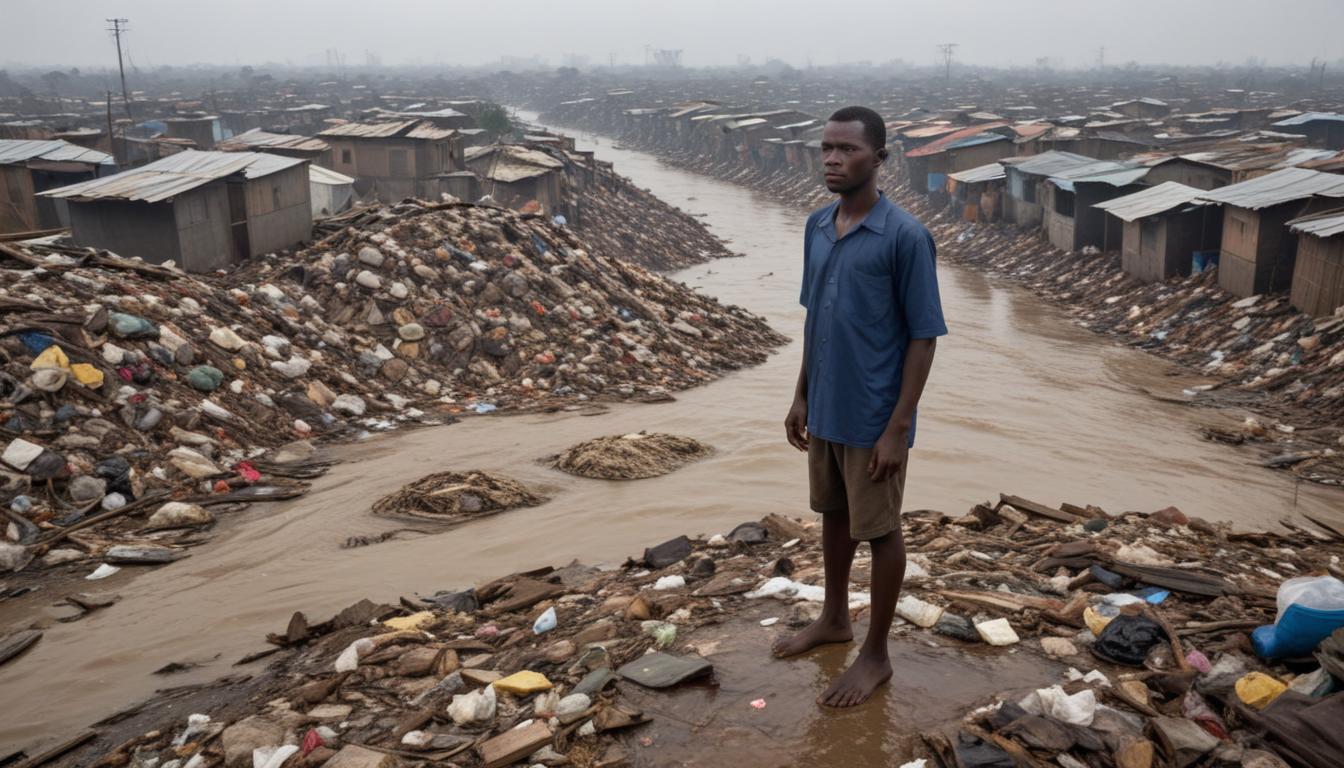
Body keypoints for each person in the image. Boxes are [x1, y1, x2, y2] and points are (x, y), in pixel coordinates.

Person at [775, 105, 947, 708]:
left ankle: (876, 654)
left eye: (846, 149)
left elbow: (923, 336)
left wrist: (898, 427)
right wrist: (800, 395)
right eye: (825, 148)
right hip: (826, 404)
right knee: (834, 514)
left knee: (881, 529)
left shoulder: (904, 236)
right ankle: (832, 619)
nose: (831, 159)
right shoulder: (818, 226)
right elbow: (814, 317)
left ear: (879, 159)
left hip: (875, 413)